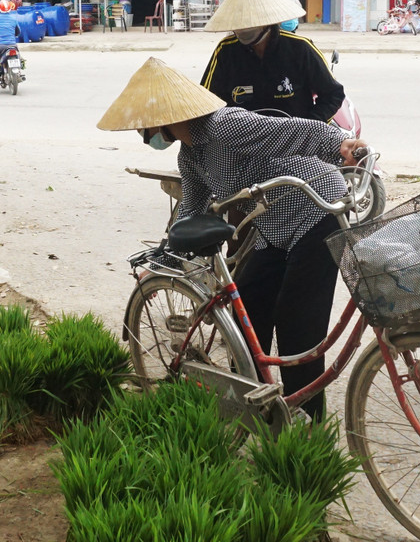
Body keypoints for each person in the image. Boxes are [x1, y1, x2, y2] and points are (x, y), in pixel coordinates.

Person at [98, 58, 367, 420]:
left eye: (143, 126)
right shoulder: (190, 155)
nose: (144, 134)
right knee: (247, 314)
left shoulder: (224, 125)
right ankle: (258, 410)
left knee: (297, 326)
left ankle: (307, 429)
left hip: (316, 211)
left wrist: (340, 143)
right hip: (273, 228)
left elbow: (291, 131)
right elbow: (192, 209)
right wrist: (165, 259)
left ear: (162, 120)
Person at [201, 0, 344, 123]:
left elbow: (333, 94)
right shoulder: (226, 51)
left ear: (269, 22)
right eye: (241, 22)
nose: (244, 28)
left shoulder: (300, 48)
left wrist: (309, 127)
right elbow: (206, 101)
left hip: (293, 134)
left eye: (251, 22)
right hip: (242, 136)